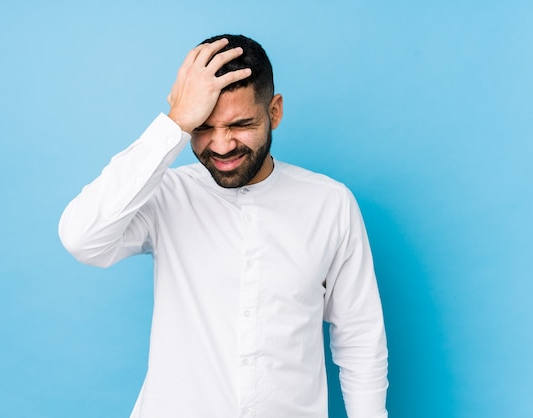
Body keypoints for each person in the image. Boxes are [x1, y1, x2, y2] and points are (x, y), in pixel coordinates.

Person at [59, 34, 388, 418]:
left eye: (240, 124)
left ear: (275, 112)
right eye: (203, 127)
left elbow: (360, 338)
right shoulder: (164, 194)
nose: (221, 145)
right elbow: (81, 239)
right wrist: (176, 122)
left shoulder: (330, 204)